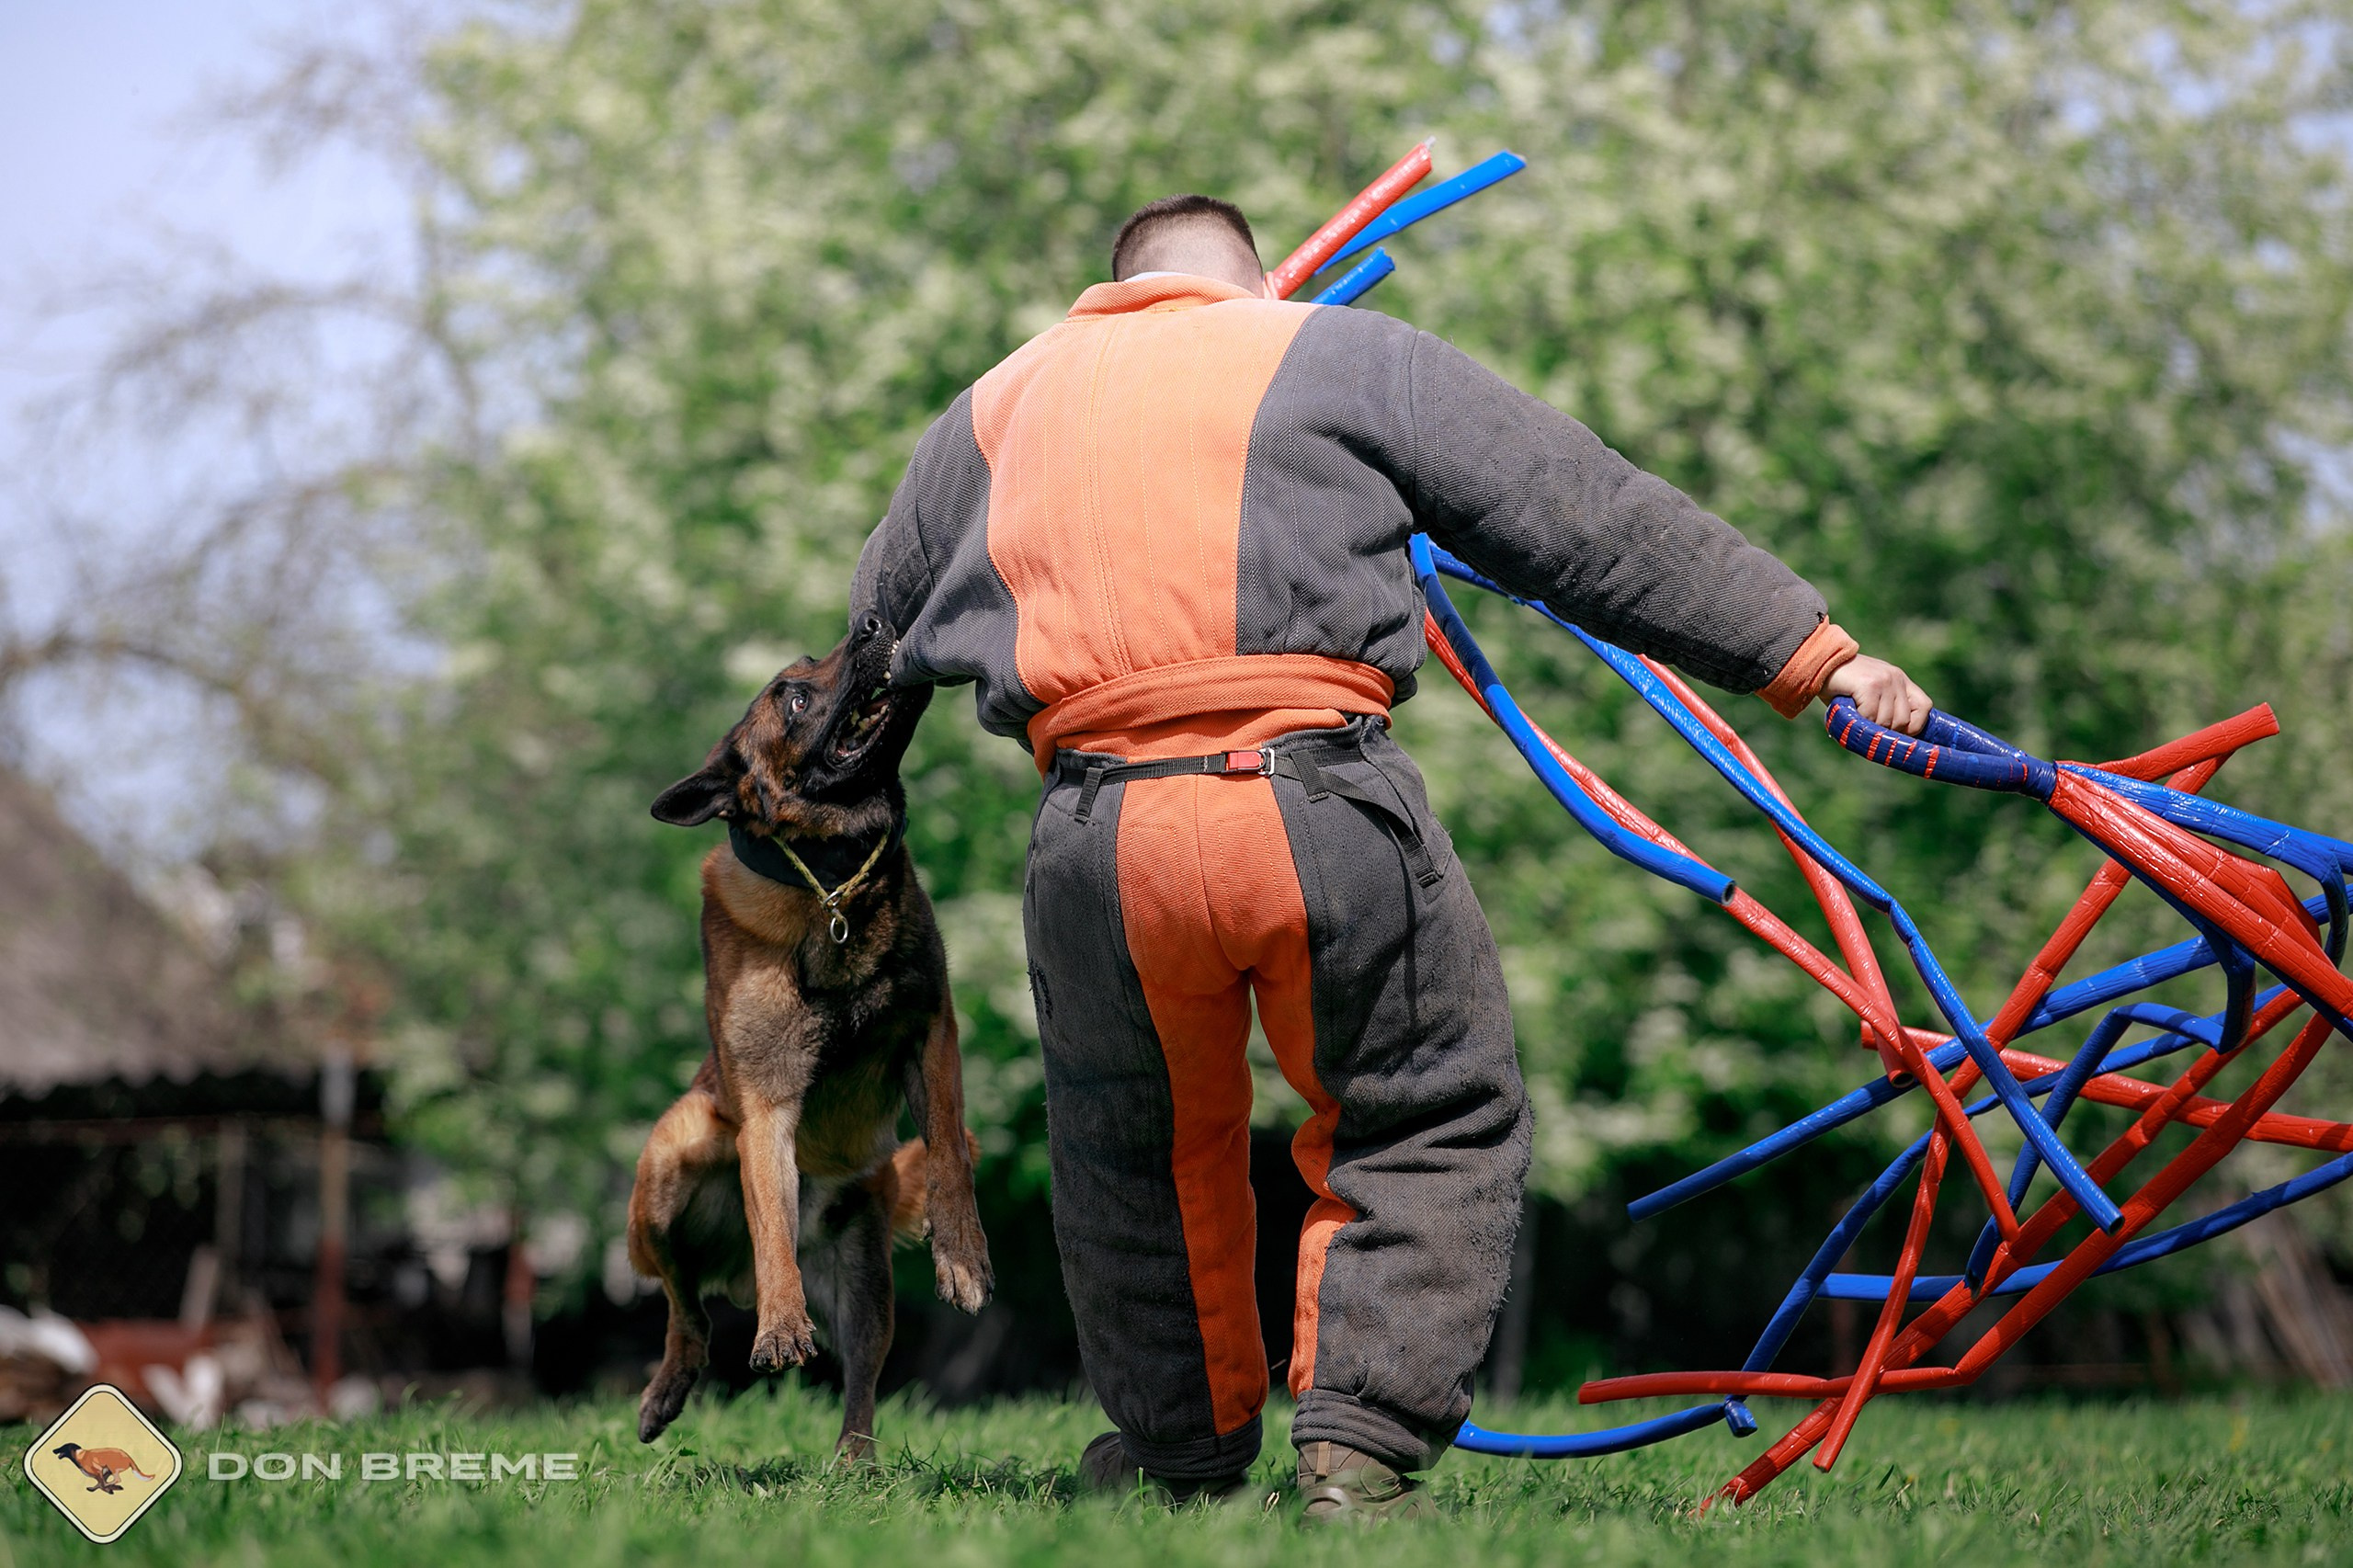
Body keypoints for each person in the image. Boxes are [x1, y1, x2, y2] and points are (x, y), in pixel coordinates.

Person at [849, 193, 1931, 1520]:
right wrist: (1815, 655)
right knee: (1426, 1108)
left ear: (1116, 290)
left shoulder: (987, 413)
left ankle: (1181, 1453)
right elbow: (1583, 514)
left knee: (1129, 1151)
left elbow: (864, 660)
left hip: (1097, 840)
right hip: (1314, 804)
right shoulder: (1339, 351)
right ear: (1253, 280)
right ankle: (1355, 1449)